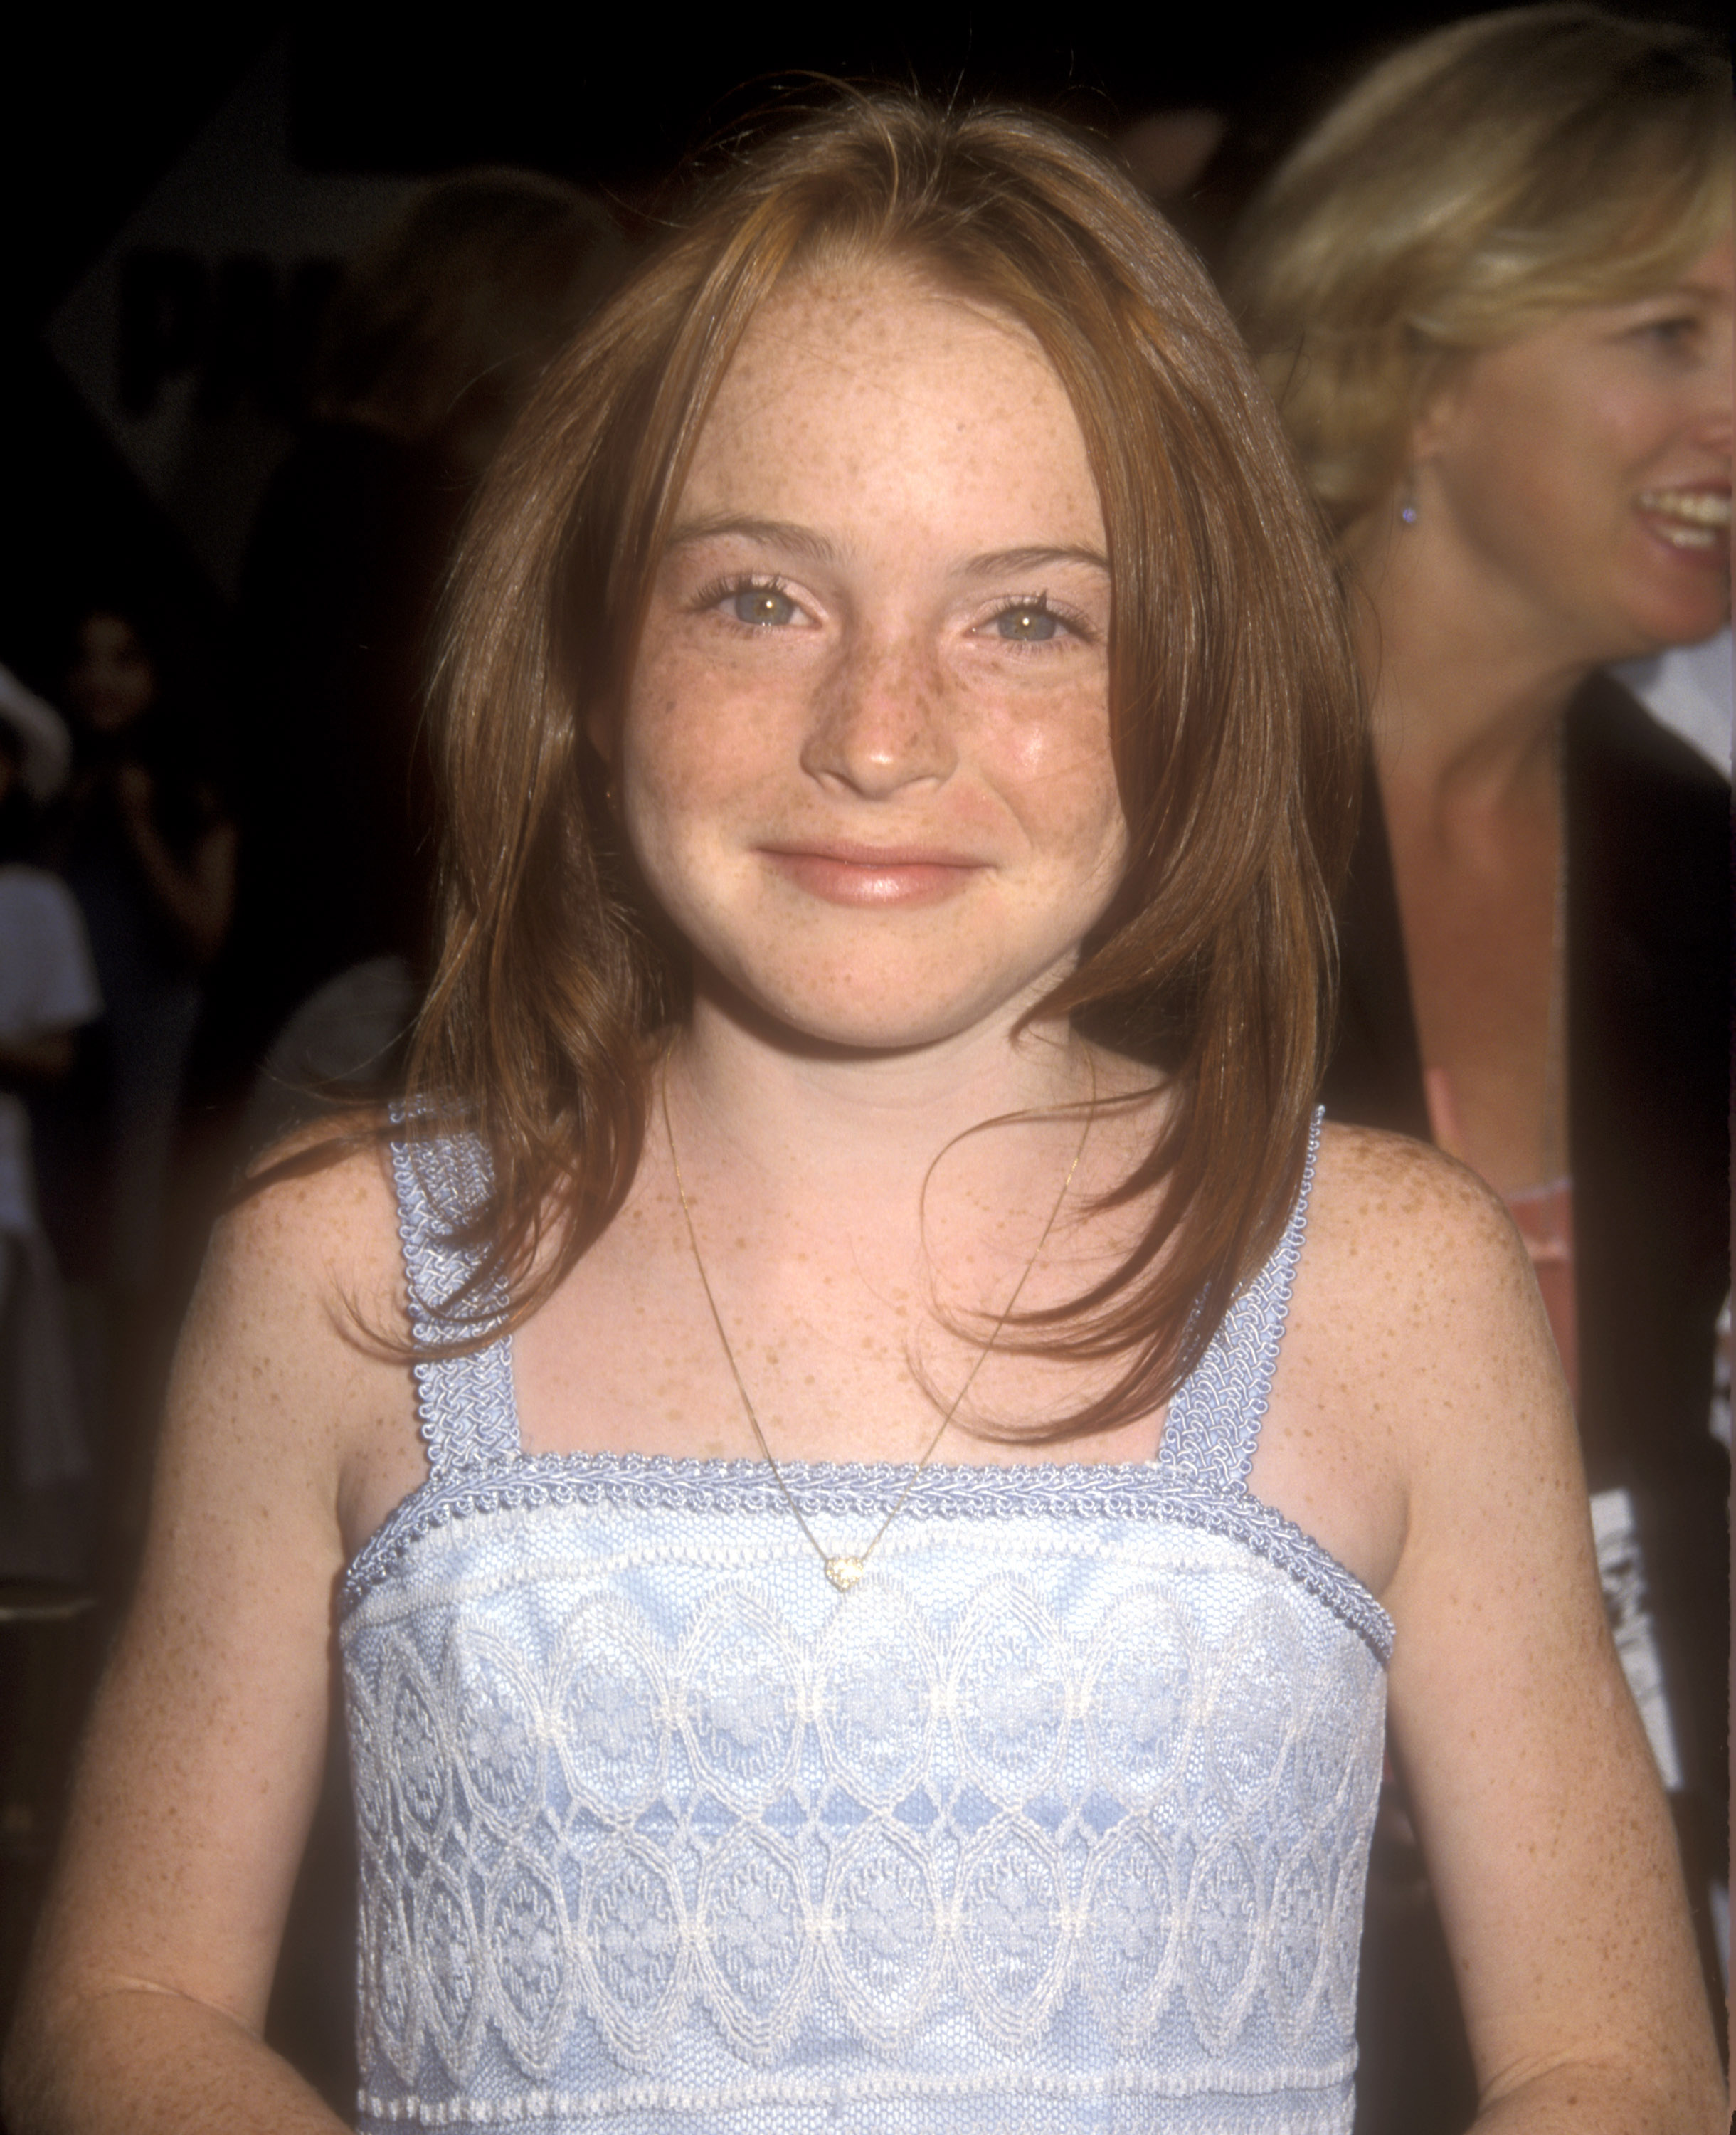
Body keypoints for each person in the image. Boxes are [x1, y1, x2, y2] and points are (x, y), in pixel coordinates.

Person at [4, 93, 1722, 2135]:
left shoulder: (1392, 1282)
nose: (880, 734)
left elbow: (1614, 2058)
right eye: (760, 598)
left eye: (1028, 618)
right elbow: (119, 1997)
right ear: (586, 656)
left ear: (1197, 694)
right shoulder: (345, 1273)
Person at [1226, 9, 1731, 2125]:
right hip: (1201, 1924)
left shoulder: (1692, 862)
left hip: (1596, 1920)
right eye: (1668, 330)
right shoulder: (1135, 818)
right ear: (1415, 354)